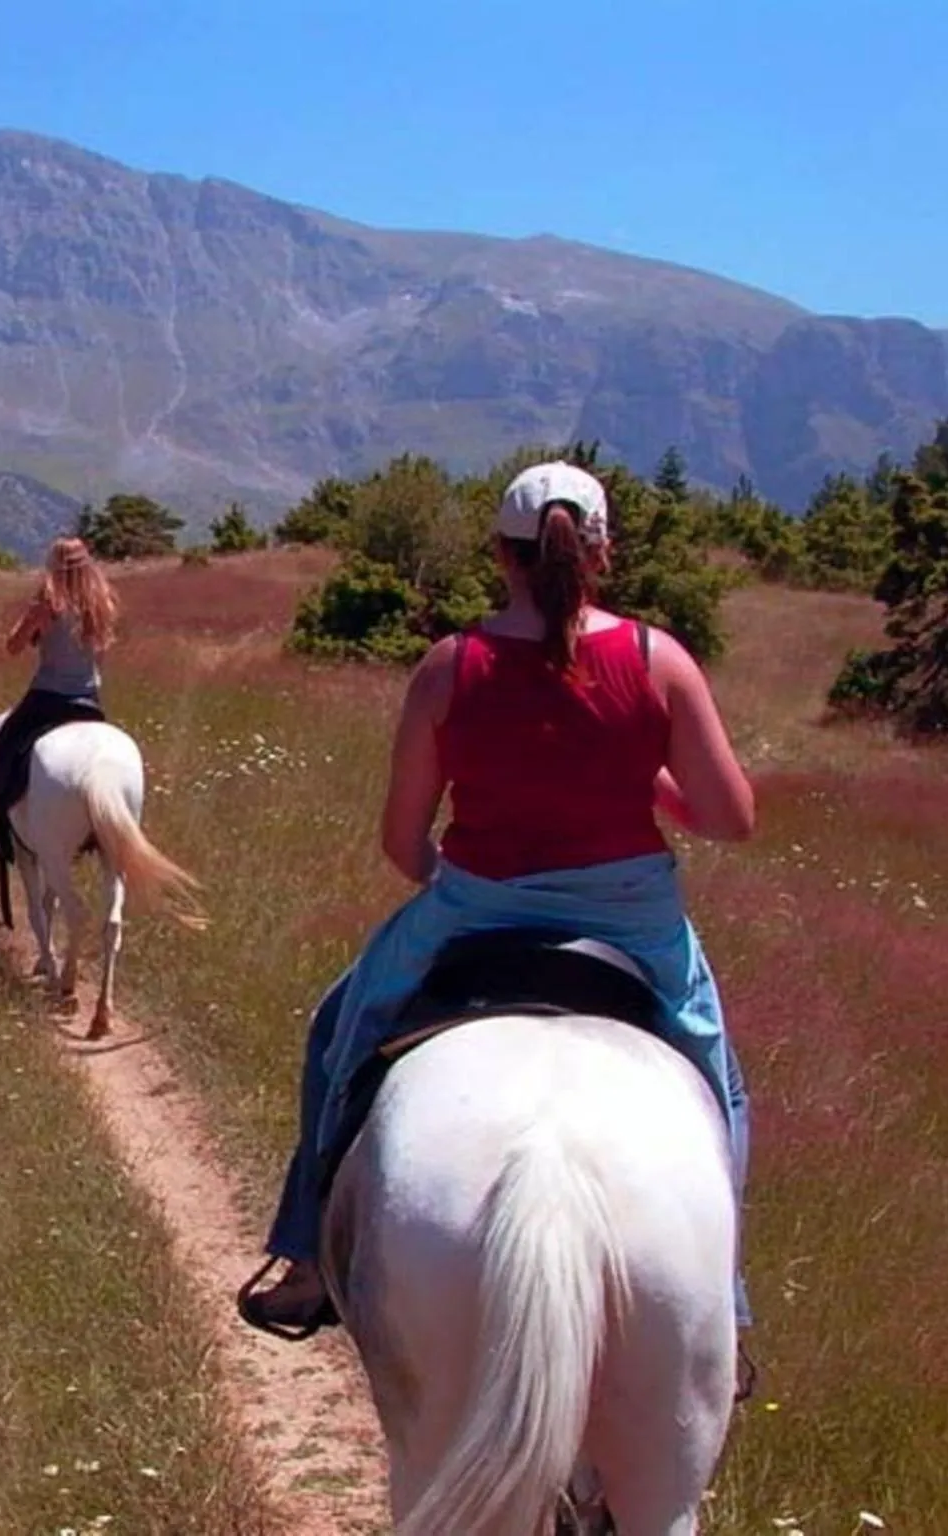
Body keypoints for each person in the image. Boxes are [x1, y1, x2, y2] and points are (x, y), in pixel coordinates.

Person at [241, 461, 758, 1335]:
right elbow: (732, 818)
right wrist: (647, 775)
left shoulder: (451, 667)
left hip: (476, 909)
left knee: (339, 1031)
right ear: (602, 550)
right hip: (633, 920)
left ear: (499, 554)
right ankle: (724, 1302)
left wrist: (455, 874)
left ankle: (306, 1256)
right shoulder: (655, 659)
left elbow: (403, 843)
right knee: (723, 1090)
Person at [0, 536, 118, 867]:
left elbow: (14, 647)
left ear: (54, 565)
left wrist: (31, 621)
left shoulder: (49, 601)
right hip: (90, 701)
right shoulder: (103, 603)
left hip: (48, 697)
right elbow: (101, 656)